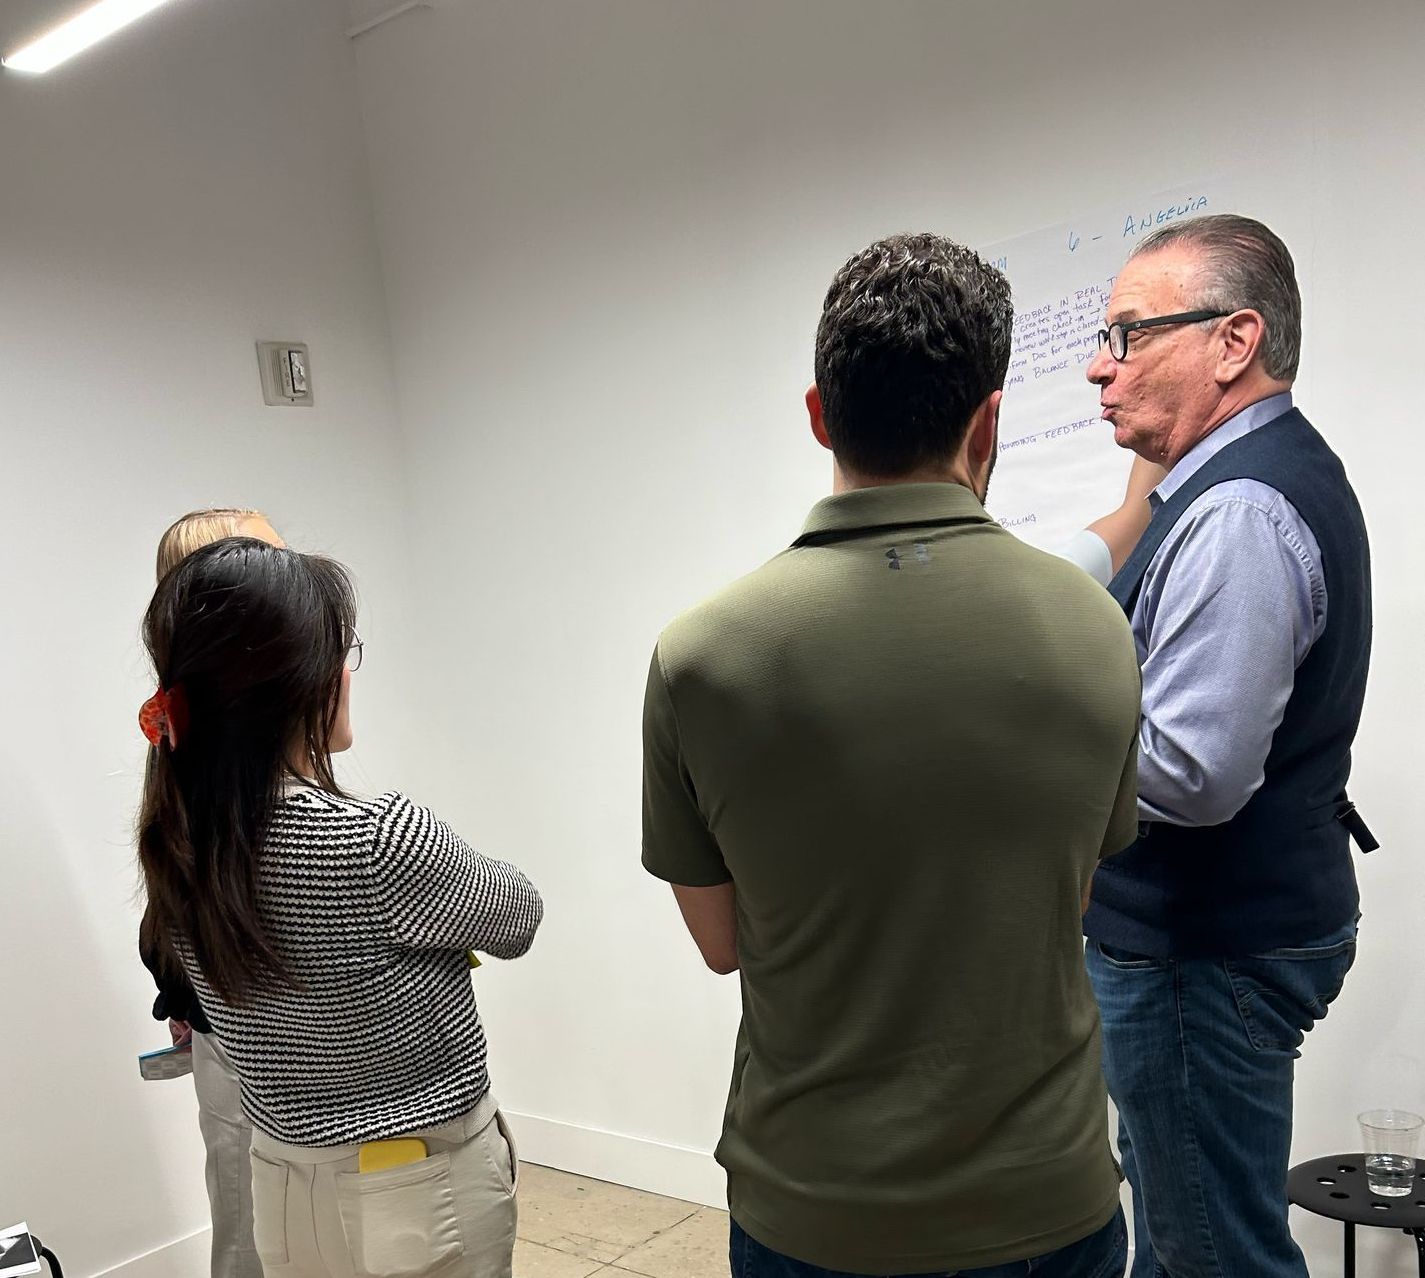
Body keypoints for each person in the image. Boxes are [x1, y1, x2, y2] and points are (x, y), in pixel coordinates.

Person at [642, 233, 1142, 1278]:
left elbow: (723, 941)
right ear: (989, 420)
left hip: (817, 1209)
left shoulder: (703, 658)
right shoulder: (1094, 629)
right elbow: (1070, 893)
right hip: (1047, 1198)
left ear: (820, 413)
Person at [1081, 214, 1373, 1278]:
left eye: (1126, 335)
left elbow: (1193, 776)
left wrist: (1031, 755)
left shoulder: (1240, 512)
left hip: (1201, 951)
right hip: (1211, 937)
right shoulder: (1225, 483)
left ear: (1233, 341)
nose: (1097, 367)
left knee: (1210, 1251)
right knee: (1180, 1223)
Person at [137, 537, 542, 1278]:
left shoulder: (175, 844)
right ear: (297, 684)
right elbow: (519, 917)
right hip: (416, 1188)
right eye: (341, 652)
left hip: (284, 1185)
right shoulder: (374, 838)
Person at [141, 508, 286, 1278]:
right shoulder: (192, 741)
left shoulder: (237, 730)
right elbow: (172, 889)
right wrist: (181, 997)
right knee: (250, 1221)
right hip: (238, 1024)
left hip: (260, 1022)